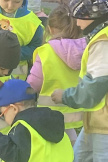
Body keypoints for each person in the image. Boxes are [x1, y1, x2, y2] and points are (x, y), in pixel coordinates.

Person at [51, 0, 108, 162]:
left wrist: (65, 96)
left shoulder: (103, 43)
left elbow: (93, 90)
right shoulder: (98, 36)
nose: (75, 22)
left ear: (93, 16)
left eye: (78, 17)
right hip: (94, 120)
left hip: (104, 123)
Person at [27, 5, 86, 146]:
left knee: (53, 145)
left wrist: (24, 90)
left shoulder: (47, 51)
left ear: (51, 29)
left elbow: (35, 83)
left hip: (50, 112)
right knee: (71, 141)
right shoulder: (87, 49)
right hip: (77, 110)